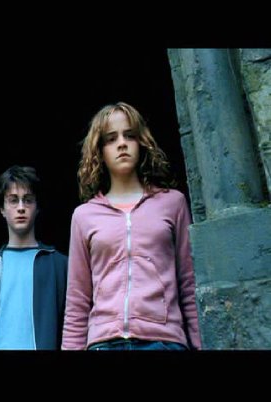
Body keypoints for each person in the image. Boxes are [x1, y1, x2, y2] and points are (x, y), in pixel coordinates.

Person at [62, 102, 202, 351]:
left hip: (163, 341)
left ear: (141, 142)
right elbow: (77, 298)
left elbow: (189, 284)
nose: (122, 144)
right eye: (111, 139)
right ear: (99, 151)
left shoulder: (173, 203)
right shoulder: (84, 216)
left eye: (129, 135)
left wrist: (200, 344)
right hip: (104, 343)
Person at [0, 166, 68, 350]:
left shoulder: (60, 267)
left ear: (37, 207)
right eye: (13, 200)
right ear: (2, 209)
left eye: (28, 200)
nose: (21, 208)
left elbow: (73, 329)